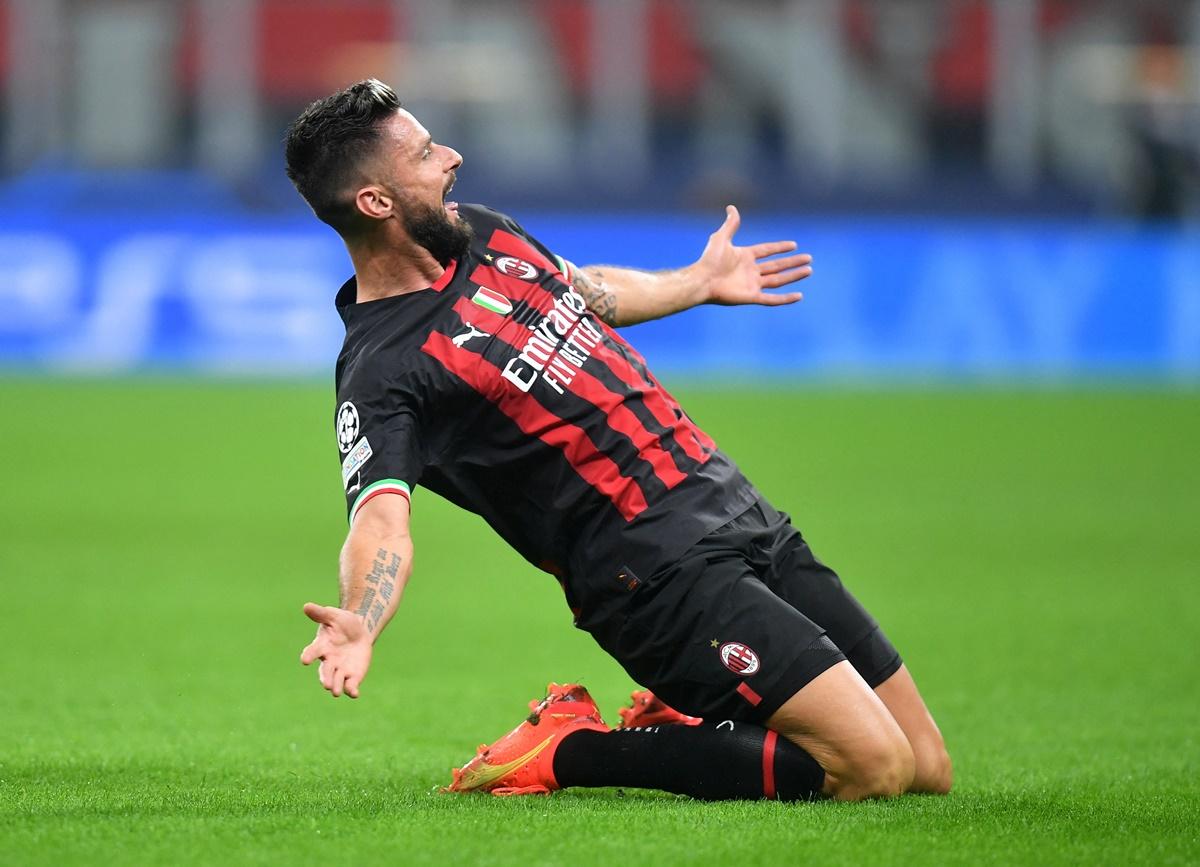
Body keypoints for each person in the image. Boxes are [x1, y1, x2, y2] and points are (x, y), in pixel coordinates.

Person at [285, 79, 951, 802]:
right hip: (657, 574)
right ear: (376, 202)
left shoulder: (484, 233)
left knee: (925, 768)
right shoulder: (383, 369)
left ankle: (688, 715)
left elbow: (585, 289)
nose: (452, 156)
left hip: (733, 504)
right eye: (423, 153)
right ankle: (570, 747)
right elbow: (380, 516)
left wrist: (695, 282)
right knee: (871, 769)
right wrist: (363, 615)